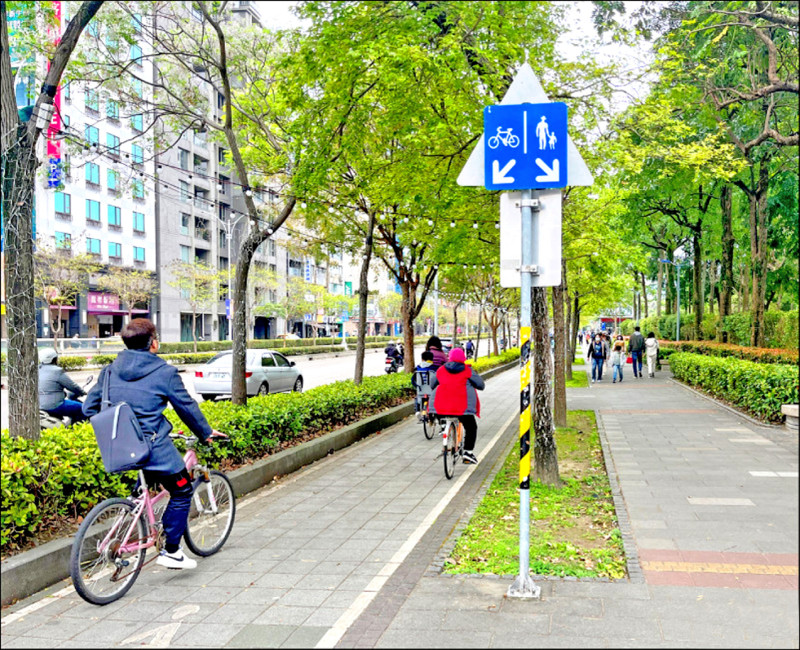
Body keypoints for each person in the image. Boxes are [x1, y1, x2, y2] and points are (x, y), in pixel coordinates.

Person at [83, 318, 226, 571]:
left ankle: (134, 516)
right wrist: (204, 432)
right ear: (153, 343)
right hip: (152, 448)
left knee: (143, 491)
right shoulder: (164, 372)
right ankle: (171, 551)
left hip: (118, 445)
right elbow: (186, 408)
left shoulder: (108, 371)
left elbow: (88, 408)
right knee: (181, 490)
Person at [430, 347, 485, 465]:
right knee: (471, 427)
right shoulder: (467, 370)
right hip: (463, 409)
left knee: (444, 416)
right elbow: (481, 385)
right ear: (463, 358)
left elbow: (432, 384)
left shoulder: (441, 370)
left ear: (449, 357)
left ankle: (445, 428)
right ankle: (468, 453)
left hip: (441, 408)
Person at [38, 349, 90, 423]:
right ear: (54, 359)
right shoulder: (57, 371)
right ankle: (76, 430)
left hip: (39, 405)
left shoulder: (37, 369)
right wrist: (82, 392)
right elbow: (72, 386)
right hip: (55, 405)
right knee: (83, 408)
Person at [411, 351, 435, 415]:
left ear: (422, 359)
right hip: (432, 391)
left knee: (417, 397)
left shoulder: (418, 368)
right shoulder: (434, 368)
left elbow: (413, 380)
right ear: (432, 359)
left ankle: (417, 410)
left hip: (421, 390)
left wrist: (417, 386)